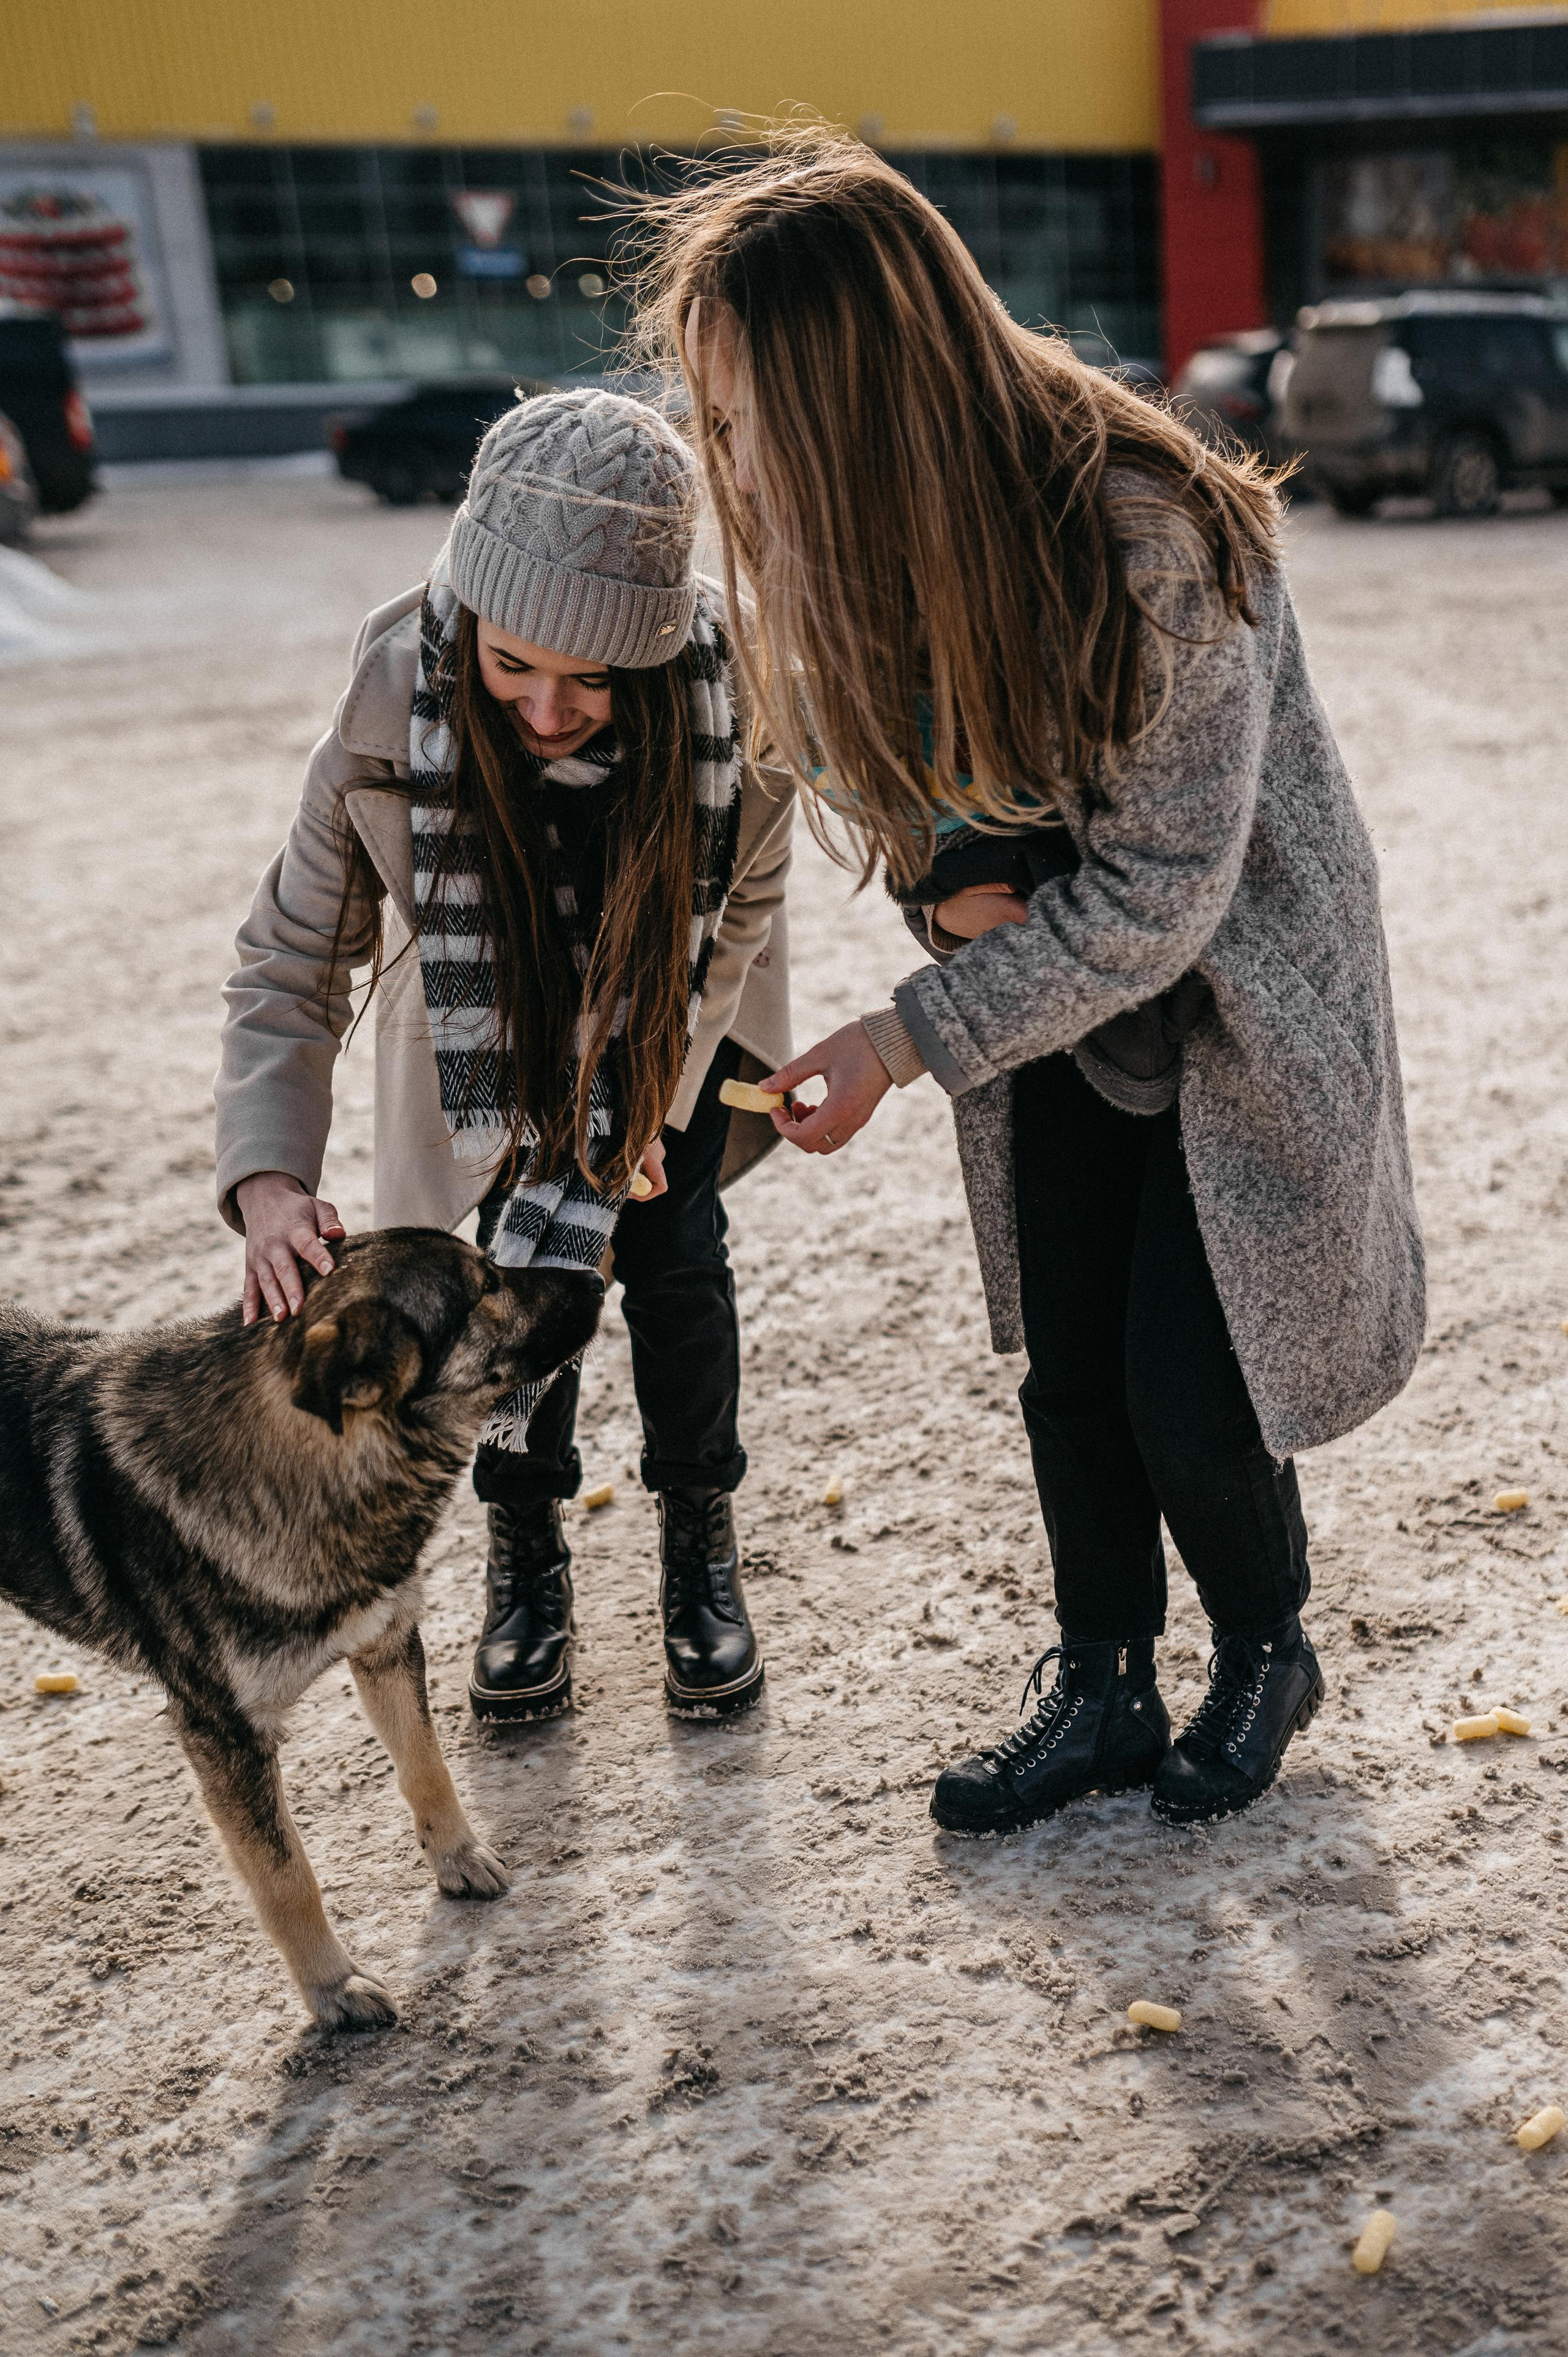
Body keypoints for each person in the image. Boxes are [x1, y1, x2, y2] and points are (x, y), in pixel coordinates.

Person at [642, 132, 1425, 1829]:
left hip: (1230, 1015)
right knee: (1066, 1360)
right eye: (716, 418)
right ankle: (1102, 1678)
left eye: (752, 416)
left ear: (864, 391)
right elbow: (881, 823)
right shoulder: (843, 555)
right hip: (1044, 1012)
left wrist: (907, 1025)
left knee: (1188, 1385)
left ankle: (1265, 1644)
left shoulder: (1152, 531)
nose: (736, 467)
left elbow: (1156, 896)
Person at [214, 390, 794, 1725]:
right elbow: (291, 957)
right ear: (470, 618)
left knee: (673, 1265)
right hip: (481, 1048)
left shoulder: (743, 713)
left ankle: (698, 1547)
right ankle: (525, 1561)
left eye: (594, 679)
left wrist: (650, 1087)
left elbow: (739, 926)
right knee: (497, 1294)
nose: (548, 707)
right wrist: (266, 1182)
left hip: (666, 1026)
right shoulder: (387, 695)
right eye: (517, 664)